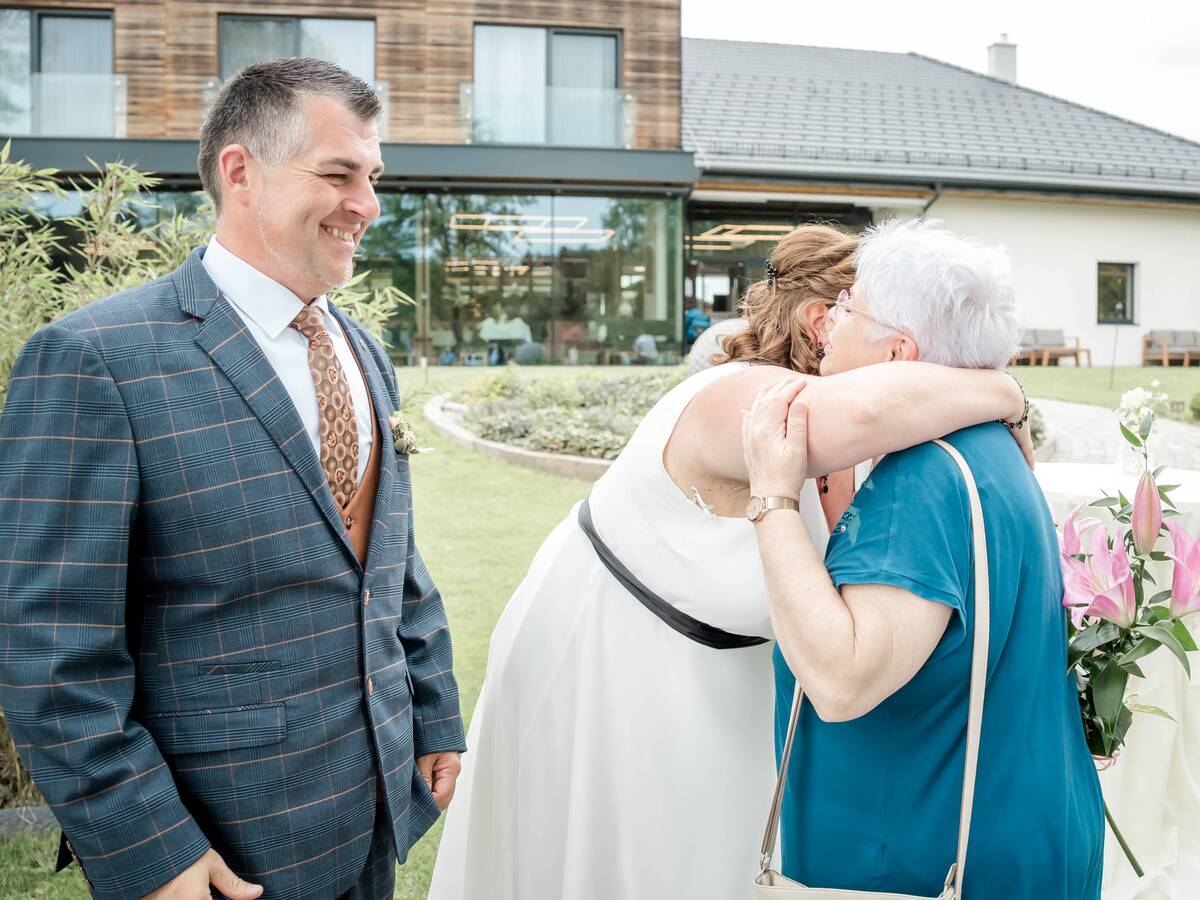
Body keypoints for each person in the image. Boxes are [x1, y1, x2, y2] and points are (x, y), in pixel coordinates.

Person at [427, 224, 1033, 900]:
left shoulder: (890, 436)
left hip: (733, 679)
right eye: (848, 306)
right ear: (820, 320)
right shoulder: (742, 396)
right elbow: (857, 414)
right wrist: (1002, 390)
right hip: (618, 656)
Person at [0, 59, 465, 900]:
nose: (368, 205)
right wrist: (149, 848)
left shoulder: (364, 351)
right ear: (241, 173)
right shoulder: (94, 358)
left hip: (375, 811)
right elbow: (51, 647)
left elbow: (391, 561)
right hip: (219, 842)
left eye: (373, 177)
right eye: (339, 174)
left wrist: (432, 714)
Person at [744, 219, 1103, 898]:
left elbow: (842, 680)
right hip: (1028, 831)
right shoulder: (993, 446)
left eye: (849, 307)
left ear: (897, 352)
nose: (829, 323)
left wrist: (773, 498)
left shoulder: (920, 481)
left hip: (924, 864)